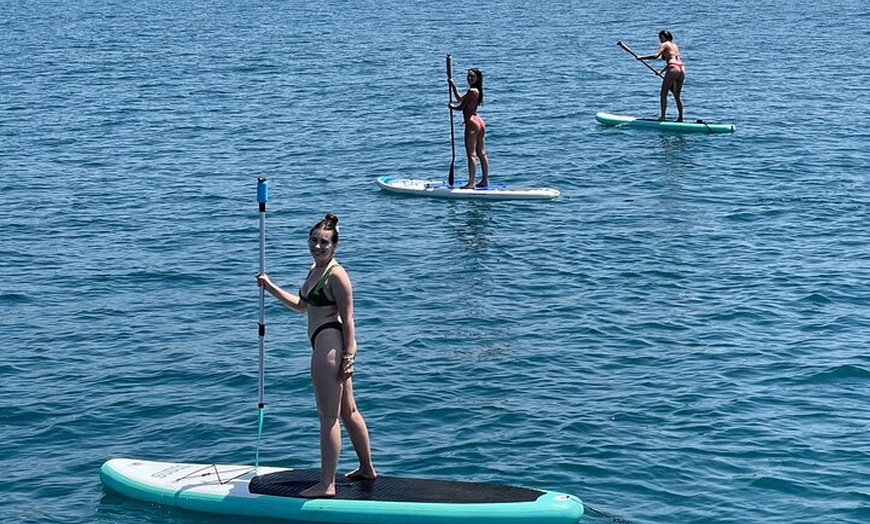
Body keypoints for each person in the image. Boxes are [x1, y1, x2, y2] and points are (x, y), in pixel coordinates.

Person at [257, 213, 376, 498]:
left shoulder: (337, 274)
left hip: (330, 344)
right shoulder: (314, 270)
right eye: (314, 241)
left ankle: (327, 484)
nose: (318, 246)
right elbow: (302, 305)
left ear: (335, 246)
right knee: (348, 411)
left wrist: (349, 356)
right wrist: (270, 286)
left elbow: (348, 319)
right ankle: (366, 468)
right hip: (324, 343)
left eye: (324, 243)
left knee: (328, 417)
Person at [449, 67, 490, 189]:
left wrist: (452, 107)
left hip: (472, 123)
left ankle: (471, 183)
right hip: (479, 121)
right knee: (481, 153)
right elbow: (460, 99)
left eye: (472, 76)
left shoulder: (473, 91)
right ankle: (484, 180)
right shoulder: (475, 91)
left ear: (477, 78)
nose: (469, 78)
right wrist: (453, 86)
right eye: (468, 76)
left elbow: (461, 107)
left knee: (471, 154)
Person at [637, 30, 685, 122]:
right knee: (677, 96)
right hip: (681, 68)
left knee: (663, 93)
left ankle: (663, 117)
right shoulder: (674, 46)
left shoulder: (665, 44)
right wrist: (661, 71)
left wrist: (641, 57)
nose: (660, 40)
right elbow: (673, 60)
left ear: (666, 38)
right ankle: (680, 118)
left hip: (673, 68)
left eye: (662, 38)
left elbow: (656, 56)